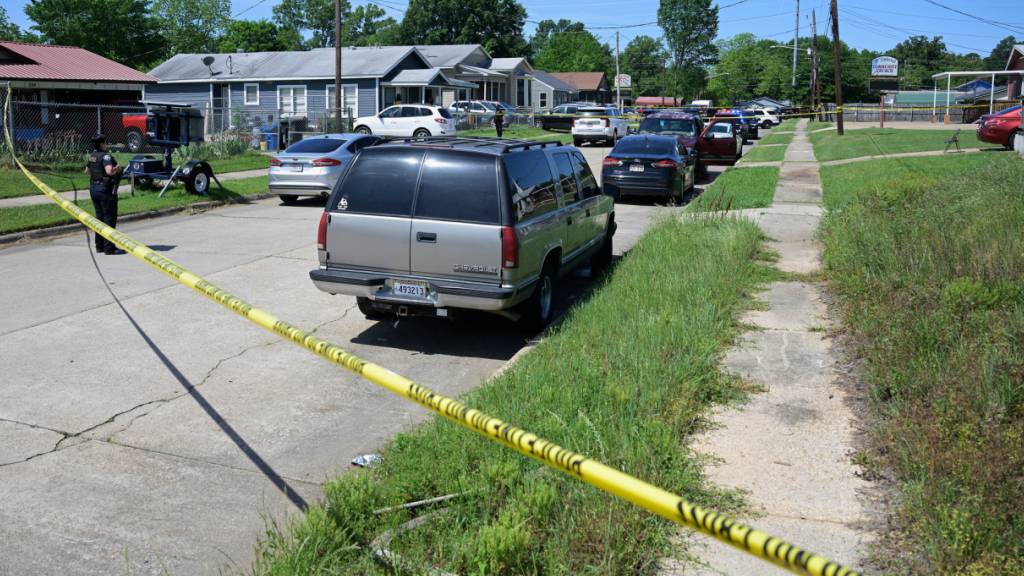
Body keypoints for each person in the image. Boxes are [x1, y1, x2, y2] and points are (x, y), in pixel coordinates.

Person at [84, 134, 125, 255]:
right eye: (105, 142)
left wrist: (97, 176)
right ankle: (109, 248)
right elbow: (109, 171)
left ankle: (99, 246)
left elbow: (86, 171)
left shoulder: (92, 156)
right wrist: (117, 168)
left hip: (94, 189)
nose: (107, 144)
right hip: (105, 190)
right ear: (102, 144)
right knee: (109, 218)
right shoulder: (106, 156)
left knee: (99, 218)